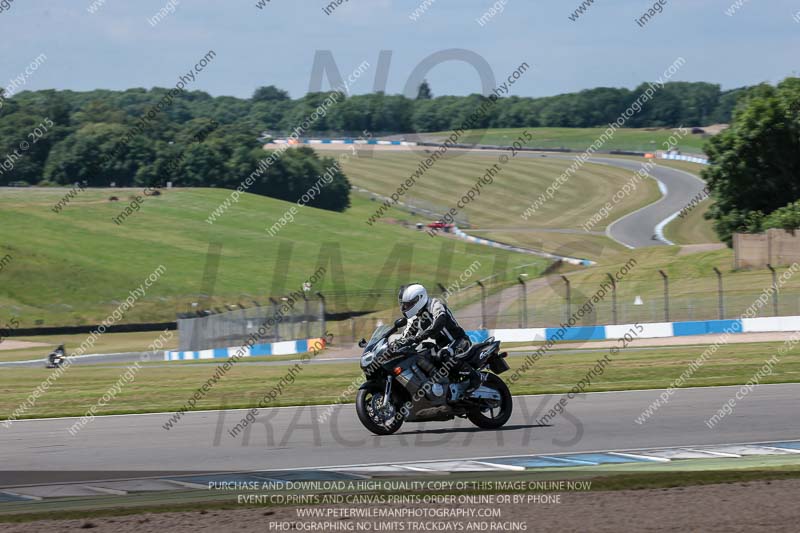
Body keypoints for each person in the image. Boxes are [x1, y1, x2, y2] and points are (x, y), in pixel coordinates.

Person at [393, 283, 475, 380]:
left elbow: (439, 323)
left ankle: (475, 377)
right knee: (421, 353)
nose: (405, 308)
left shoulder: (435, 304)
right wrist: (396, 345)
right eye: (404, 305)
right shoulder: (415, 317)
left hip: (459, 341)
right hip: (440, 346)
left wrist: (418, 338)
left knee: (444, 354)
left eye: (408, 304)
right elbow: (406, 335)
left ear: (419, 299)